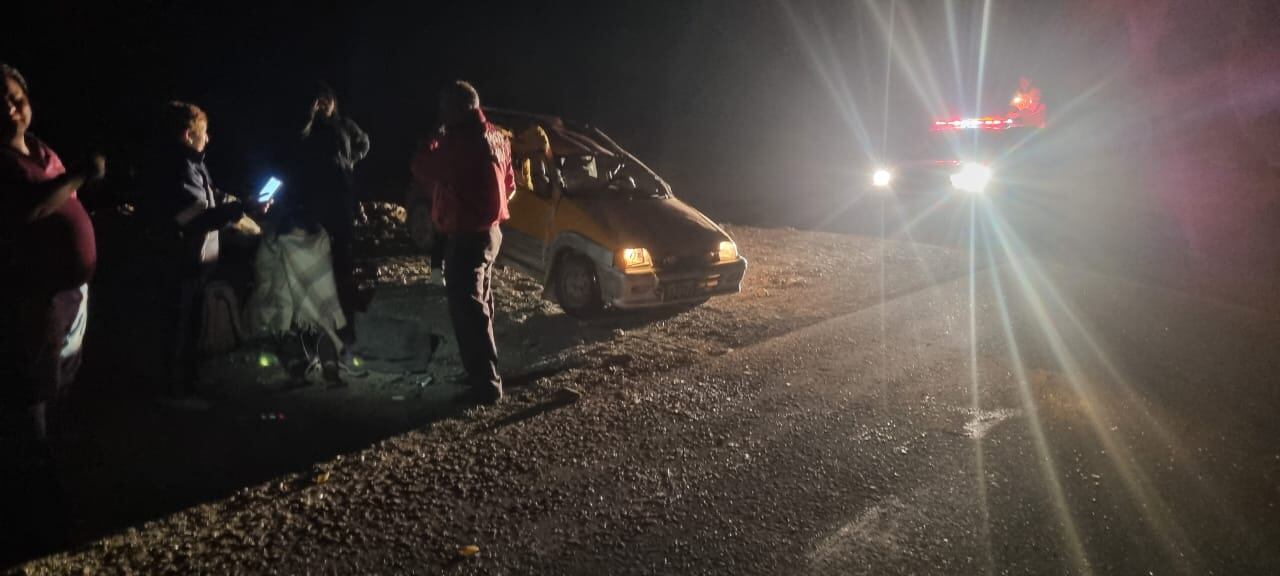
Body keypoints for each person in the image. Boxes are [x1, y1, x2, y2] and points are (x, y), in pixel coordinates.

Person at [0, 62, 105, 566]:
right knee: (31, 398)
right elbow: (28, 210)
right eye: (0, 99)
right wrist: (83, 174)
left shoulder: (41, 149)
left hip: (70, 296)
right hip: (30, 299)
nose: (10, 106)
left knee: (59, 387)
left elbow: (64, 201)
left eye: (16, 96)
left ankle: (47, 494)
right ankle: (36, 518)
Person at [411, 81, 514, 405]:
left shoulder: (461, 141)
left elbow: (421, 166)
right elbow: (510, 183)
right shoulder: (497, 135)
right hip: (490, 233)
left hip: (469, 235)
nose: (441, 113)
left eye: (445, 107)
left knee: (468, 310)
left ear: (459, 108)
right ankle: (483, 373)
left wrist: (435, 136)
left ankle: (486, 385)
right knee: (480, 304)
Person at [137, 101, 243, 408]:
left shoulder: (192, 163)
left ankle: (184, 386)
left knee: (185, 324)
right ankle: (175, 393)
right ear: (187, 134)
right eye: (203, 133)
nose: (207, 139)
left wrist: (236, 201)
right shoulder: (177, 167)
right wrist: (238, 210)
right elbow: (197, 218)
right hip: (179, 263)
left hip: (191, 264)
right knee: (178, 326)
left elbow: (208, 196)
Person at [292, 83, 369, 373]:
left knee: (343, 265)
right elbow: (296, 141)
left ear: (335, 102)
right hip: (315, 205)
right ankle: (314, 334)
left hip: (341, 203)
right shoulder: (309, 127)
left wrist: (350, 162)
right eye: (319, 100)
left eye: (328, 100)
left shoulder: (344, 125)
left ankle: (345, 330)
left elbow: (364, 143)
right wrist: (309, 115)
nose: (324, 104)